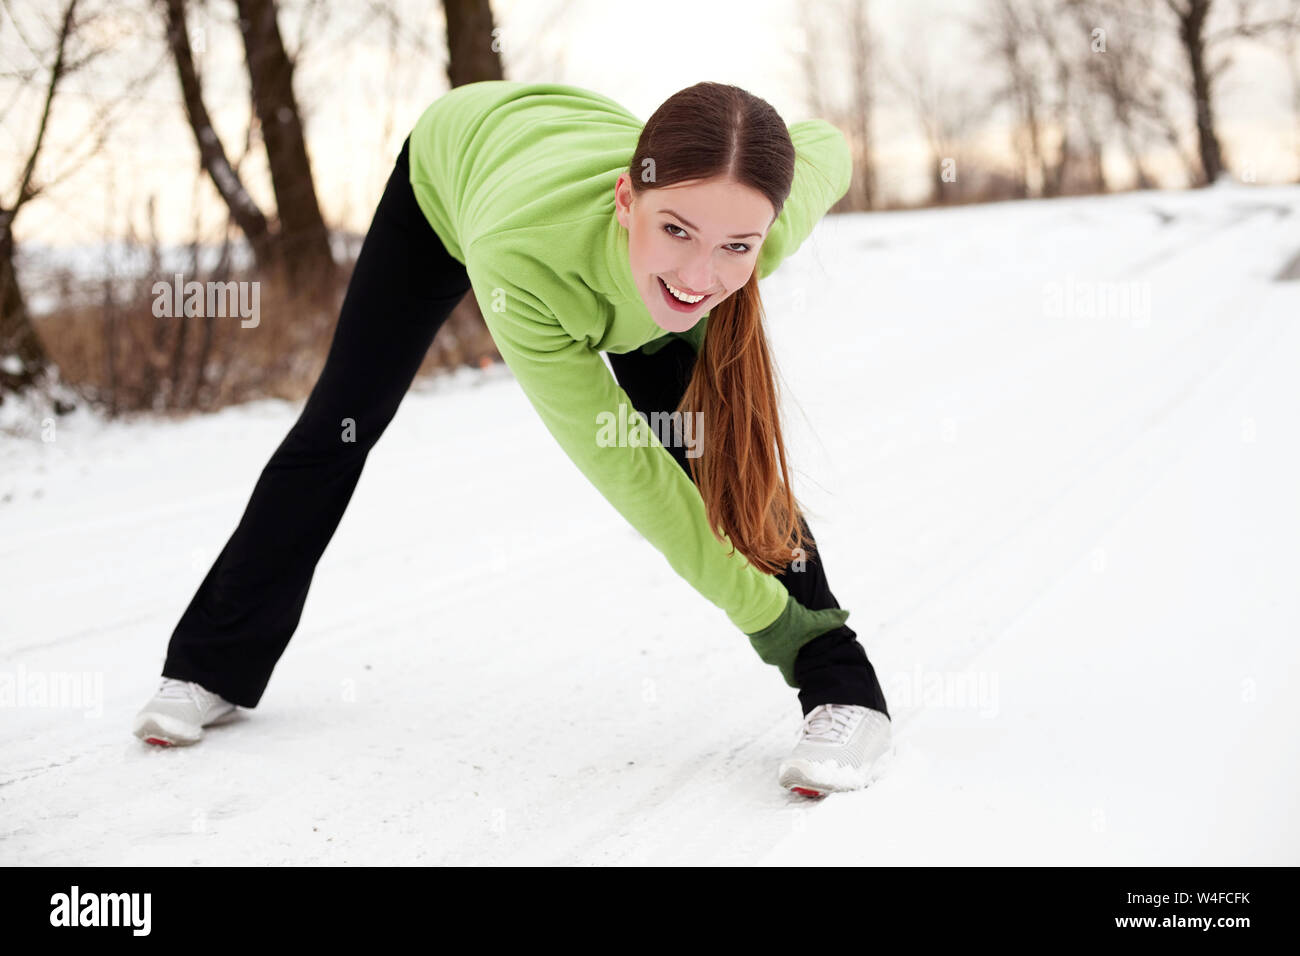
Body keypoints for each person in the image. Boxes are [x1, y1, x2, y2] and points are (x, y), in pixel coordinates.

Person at [134, 80, 892, 795]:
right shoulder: (522, 263)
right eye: (677, 229)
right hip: (454, 172)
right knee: (343, 420)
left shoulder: (746, 227)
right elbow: (632, 473)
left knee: (718, 447)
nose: (702, 272)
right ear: (628, 200)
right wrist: (769, 618)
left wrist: (800, 633)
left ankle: (847, 691)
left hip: (580, 177)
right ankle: (211, 665)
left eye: (738, 246)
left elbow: (825, 142)